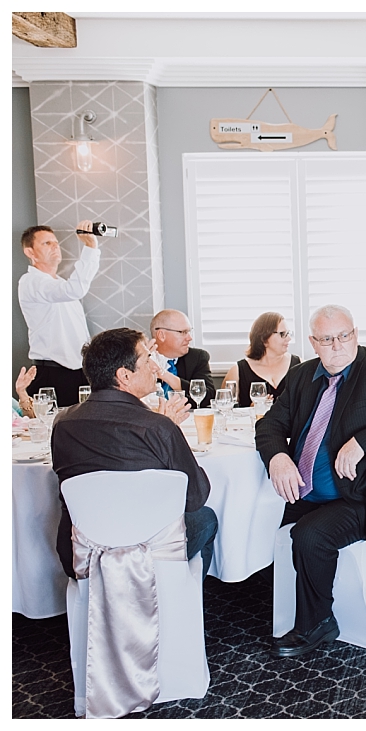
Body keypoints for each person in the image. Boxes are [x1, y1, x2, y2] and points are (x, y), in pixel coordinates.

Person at [255, 304, 366, 658]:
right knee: (251, 525)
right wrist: (277, 456)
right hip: (301, 492)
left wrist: (364, 441)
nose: (337, 345)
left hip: (355, 496)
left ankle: (317, 623)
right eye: (327, 339)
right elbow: (270, 425)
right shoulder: (300, 376)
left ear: (355, 334)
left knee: (309, 536)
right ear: (313, 342)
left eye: (344, 335)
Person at [50, 328, 218, 581]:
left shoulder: (62, 422)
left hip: (81, 555)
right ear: (124, 375)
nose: (154, 367)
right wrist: (169, 430)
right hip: (147, 553)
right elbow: (196, 497)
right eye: (147, 359)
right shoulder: (157, 427)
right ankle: (177, 595)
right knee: (206, 518)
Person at [18, 221, 102, 407]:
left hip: (79, 372)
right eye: (47, 243)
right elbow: (75, 290)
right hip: (53, 374)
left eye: (56, 243)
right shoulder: (31, 282)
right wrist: (90, 247)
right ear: (30, 252)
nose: (55, 246)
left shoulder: (60, 284)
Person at [223, 312, 300, 407]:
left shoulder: (299, 365)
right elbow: (224, 410)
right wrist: (251, 410)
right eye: (283, 334)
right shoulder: (237, 371)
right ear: (264, 338)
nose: (289, 338)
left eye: (288, 333)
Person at [150, 309, 215, 408]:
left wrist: (164, 374)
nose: (189, 338)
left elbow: (208, 397)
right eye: (183, 332)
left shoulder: (197, 357)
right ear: (161, 335)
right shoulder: (142, 359)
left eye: (189, 332)